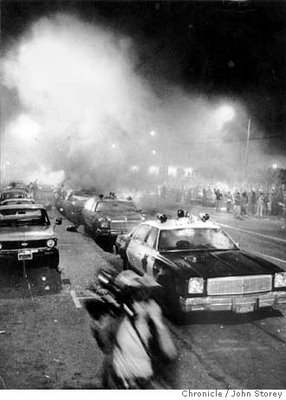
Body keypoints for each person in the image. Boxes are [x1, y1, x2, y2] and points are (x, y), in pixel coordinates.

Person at [85, 270, 177, 389]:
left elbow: (170, 353)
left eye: (147, 300)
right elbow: (105, 344)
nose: (145, 303)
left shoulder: (153, 327)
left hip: (141, 384)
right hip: (118, 382)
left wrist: (158, 322)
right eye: (139, 299)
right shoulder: (119, 321)